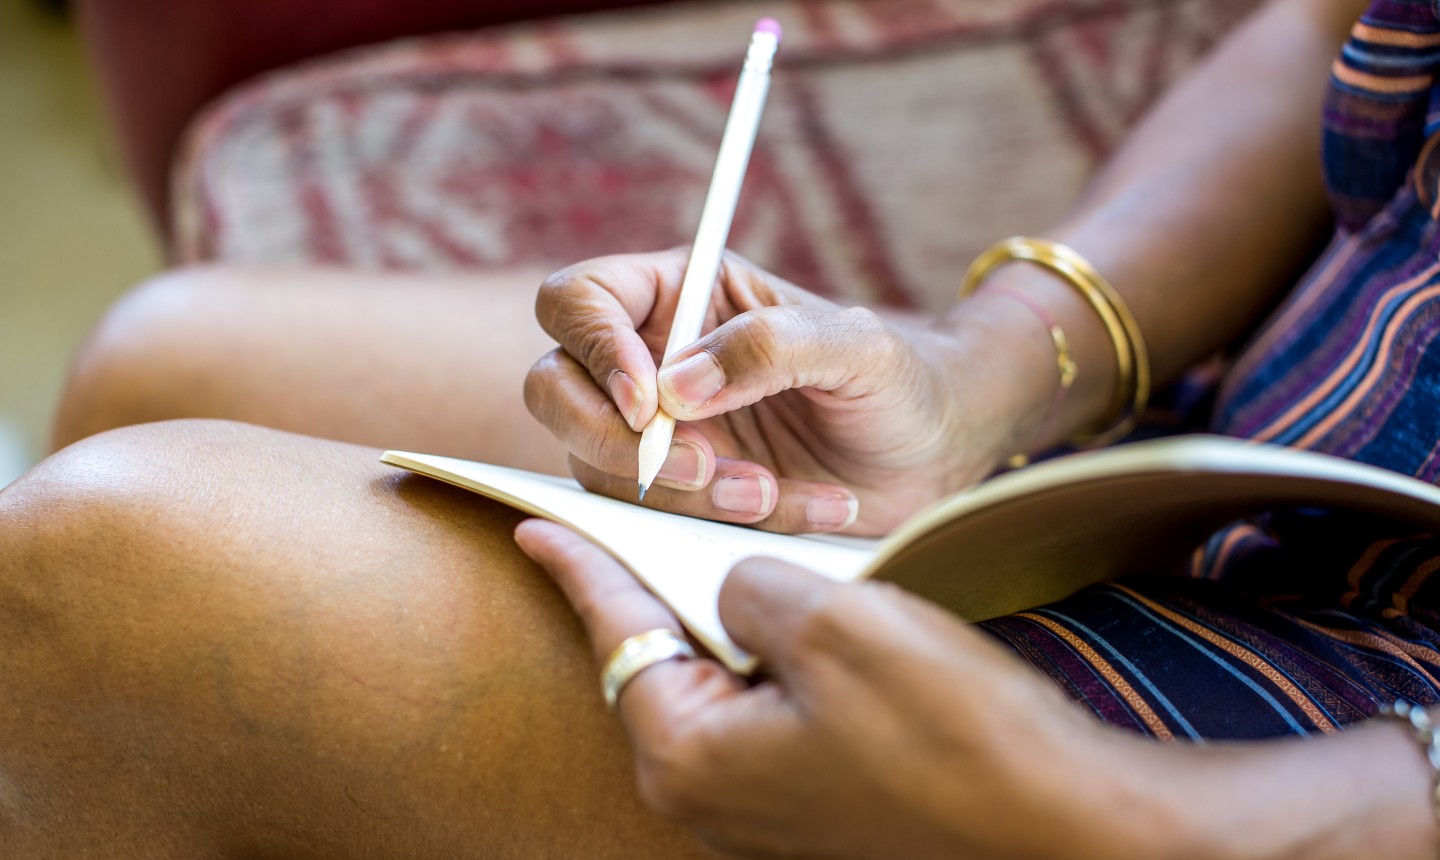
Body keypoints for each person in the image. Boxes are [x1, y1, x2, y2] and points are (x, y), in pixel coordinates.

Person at [3, 0, 1438, 855]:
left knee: (101, 570)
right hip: (1256, 456)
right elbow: (1329, 24)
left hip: (1352, 747)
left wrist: (1229, 828)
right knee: (170, 356)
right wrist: (991, 369)